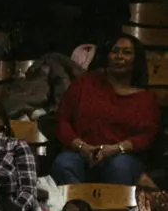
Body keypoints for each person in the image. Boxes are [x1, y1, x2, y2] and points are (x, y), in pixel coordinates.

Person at [51, 33, 158, 186]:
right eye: (115, 51)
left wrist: (114, 149)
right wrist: (82, 147)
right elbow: (62, 120)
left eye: (127, 52)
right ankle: (78, 208)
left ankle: (113, 210)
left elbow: (145, 136)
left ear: (136, 61)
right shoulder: (84, 84)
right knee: (63, 163)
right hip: (81, 153)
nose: (119, 56)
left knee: (120, 167)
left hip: (121, 157)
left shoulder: (146, 99)